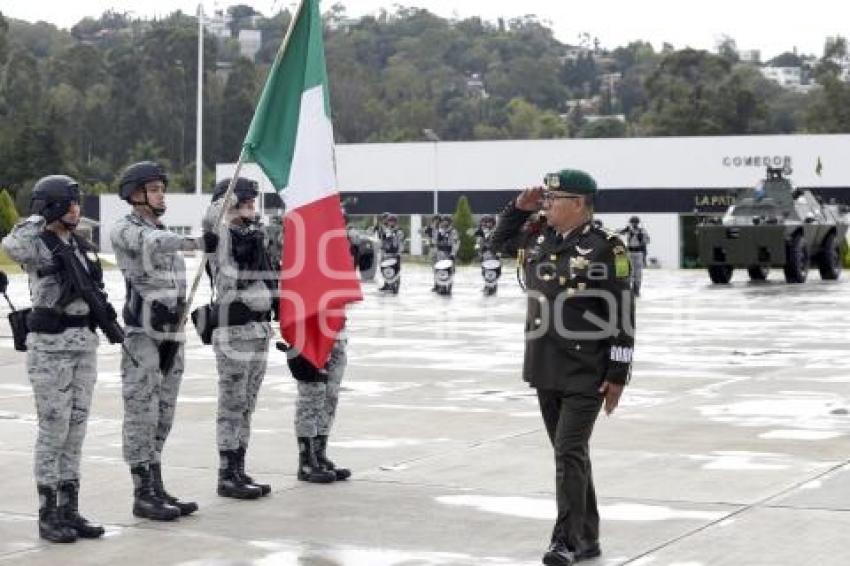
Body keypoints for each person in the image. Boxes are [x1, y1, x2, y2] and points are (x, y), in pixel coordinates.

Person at [492, 169, 635, 566]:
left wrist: (618, 374)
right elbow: (496, 243)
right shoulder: (539, 236)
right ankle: (587, 538)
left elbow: (622, 314)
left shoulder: (608, 249)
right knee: (569, 452)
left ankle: (566, 540)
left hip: (585, 368)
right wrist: (516, 211)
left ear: (578, 204)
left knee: (568, 451)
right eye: (547, 198)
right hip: (544, 365)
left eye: (555, 199)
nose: (547, 204)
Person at [1, 175, 106, 543]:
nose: (77, 208)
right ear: (52, 206)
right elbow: (10, 245)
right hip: (51, 348)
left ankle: (69, 509)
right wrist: (37, 217)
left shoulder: (78, 242)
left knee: (75, 430)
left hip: (83, 345)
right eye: (69, 202)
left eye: (78, 202)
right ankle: (48, 514)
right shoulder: (37, 242)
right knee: (54, 429)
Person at [110, 161, 214, 521]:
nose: (161, 194)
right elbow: (151, 243)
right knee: (142, 412)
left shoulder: (161, 229)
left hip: (171, 333)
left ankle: (156, 483)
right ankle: (142, 492)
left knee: (163, 413)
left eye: (161, 188)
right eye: (154, 189)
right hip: (143, 338)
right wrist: (197, 242)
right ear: (135, 195)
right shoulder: (127, 229)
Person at [203, 177, 275, 500]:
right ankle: (226, 473)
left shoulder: (253, 236)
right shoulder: (220, 234)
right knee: (232, 403)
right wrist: (230, 199)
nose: (250, 209)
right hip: (235, 331)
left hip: (259, 330)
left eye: (252, 203)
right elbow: (212, 216)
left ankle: (239, 467)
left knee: (247, 404)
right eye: (243, 202)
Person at [618, 216, 650, 296]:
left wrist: (640, 236)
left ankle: (637, 289)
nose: (633, 224)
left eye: (634, 223)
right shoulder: (628, 230)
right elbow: (618, 233)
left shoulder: (642, 231)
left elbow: (647, 242)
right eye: (632, 223)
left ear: (637, 223)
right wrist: (625, 230)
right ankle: (630, 289)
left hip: (638, 252)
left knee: (638, 273)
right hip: (630, 252)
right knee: (629, 272)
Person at [376, 213, 404, 291]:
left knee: (396, 269)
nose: (391, 223)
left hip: (395, 253)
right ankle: (387, 284)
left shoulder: (399, 231)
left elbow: (400, 242)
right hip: (387, 252)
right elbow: (382, 240)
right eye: (390, 221)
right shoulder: (386, 230)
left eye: (393, 221)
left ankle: (396, 285)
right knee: (386, 268)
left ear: (395, 222)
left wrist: (399, 252)